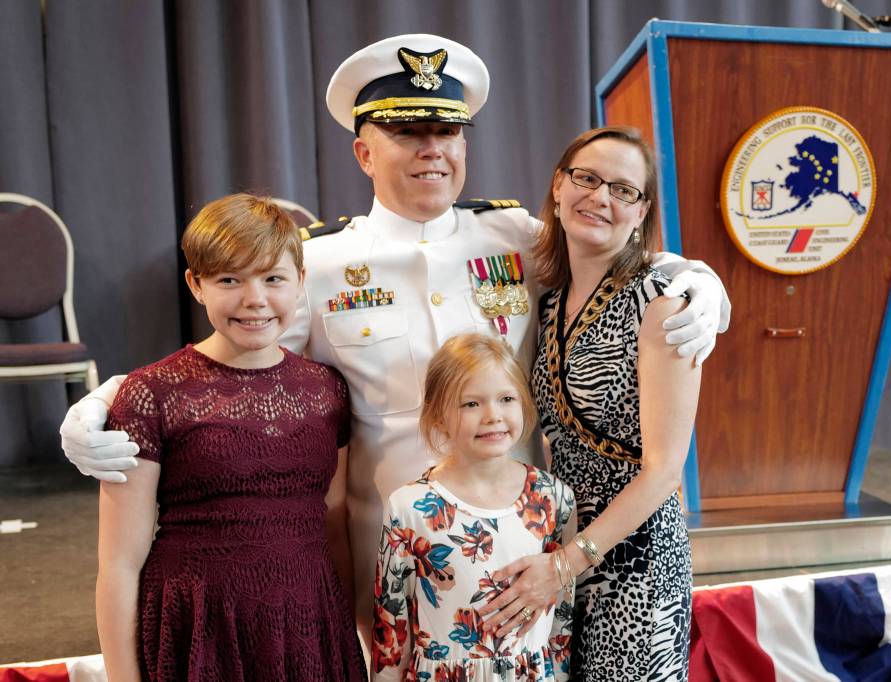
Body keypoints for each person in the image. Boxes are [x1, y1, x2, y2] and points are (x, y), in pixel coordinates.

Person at [63, 34, 729, 638]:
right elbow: (232, 359)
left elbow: (613, 256)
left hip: (521, 548)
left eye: (447, 130)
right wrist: (111, 397)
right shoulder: (316, 264)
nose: (432, 148)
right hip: (393, 556)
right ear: (363, 150)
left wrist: (700, 279)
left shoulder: (514, 237)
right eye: (408, 131)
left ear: (465, 144)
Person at [95, 194, 365, 681]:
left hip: (307, 620)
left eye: (273, 278)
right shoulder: (151, 393)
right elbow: (118, 564)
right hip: (200, 625)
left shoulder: (327, 390)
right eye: (229, 280)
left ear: (301, 282)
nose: (255, 299)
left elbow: (336, 524)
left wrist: (346, 641)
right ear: (196, 285)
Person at [476, 127, 702, 680]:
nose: (600, 197)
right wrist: (560, 557)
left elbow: (665, 468)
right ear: (558, 186)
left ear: (642, 210)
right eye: (587, 178)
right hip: (561, 543)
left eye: (623, 190)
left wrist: (568, 562)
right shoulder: (549, 300)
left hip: (634, 558)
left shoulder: (663, 303)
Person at [372, 333, 574, 681]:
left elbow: (563, 621)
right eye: (471, 404)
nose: (493, 415)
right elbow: (392, 628)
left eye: (506, 398)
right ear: (438, 417)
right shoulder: (409, 508)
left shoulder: (553, 498)